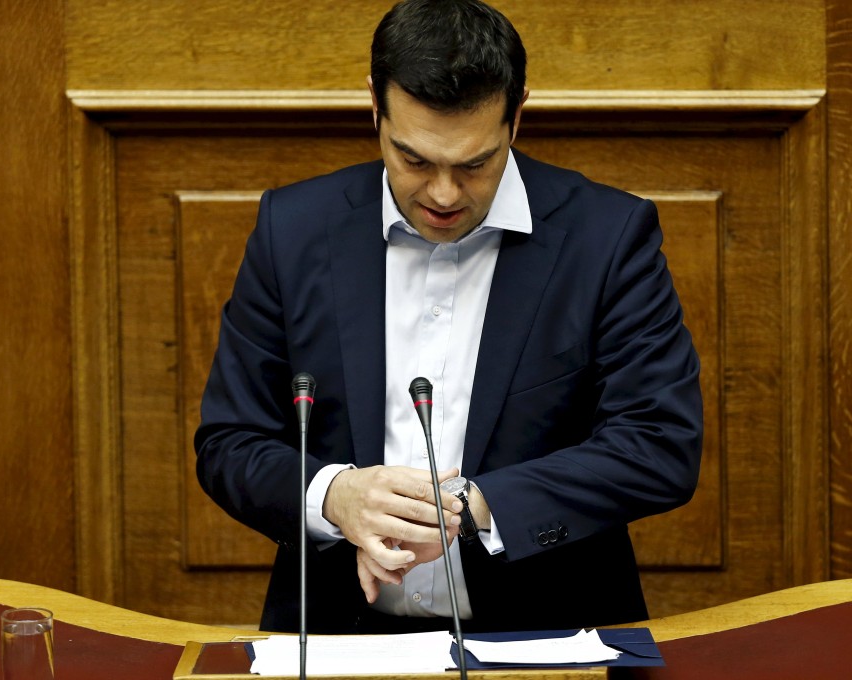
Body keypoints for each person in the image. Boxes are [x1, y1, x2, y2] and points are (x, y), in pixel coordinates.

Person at [195, 0, 703, 635]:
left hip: (548, 638)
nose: (442, 194)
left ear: (516, 117)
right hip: (335, 637)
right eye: (413, 160)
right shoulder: (292, 231)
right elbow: (228, 443)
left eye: (474, 164)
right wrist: (332, 495)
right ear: (375, 109)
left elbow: (660, 446)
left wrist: (477, 507)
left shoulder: (607, 238)